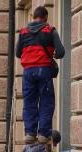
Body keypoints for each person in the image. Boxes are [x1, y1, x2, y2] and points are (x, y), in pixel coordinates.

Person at [15, 6, 65, 144]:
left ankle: (30, 133)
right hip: (44, 70)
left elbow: (18, 53)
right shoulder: (50, 31)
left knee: (29, 102)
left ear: (33, 17)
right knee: (46, 102)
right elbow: (61, 52)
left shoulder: (23, 32)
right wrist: (51, 53)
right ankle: (43, 134)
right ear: (46, 17)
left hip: (28, 72)